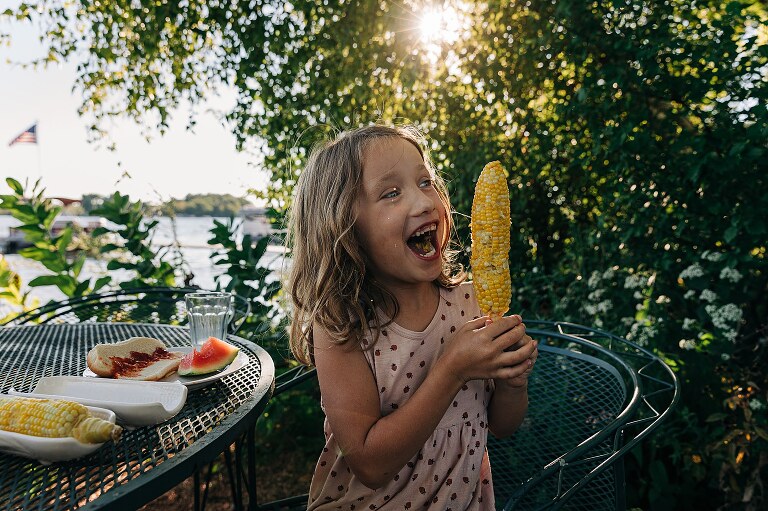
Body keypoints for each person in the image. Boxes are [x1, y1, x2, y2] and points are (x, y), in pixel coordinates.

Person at [286, 124, 538, 510]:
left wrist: (513, 383)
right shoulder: (341, 326)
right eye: (391, 193)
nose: (423, 202)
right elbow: (370, 464)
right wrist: (453, 369)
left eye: (425, 182)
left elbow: (501, 426)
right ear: (345, 229)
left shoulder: (471, 303)